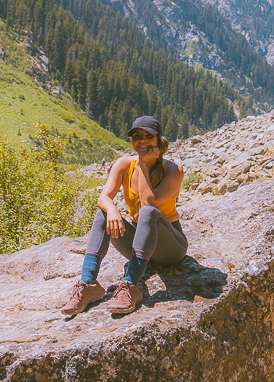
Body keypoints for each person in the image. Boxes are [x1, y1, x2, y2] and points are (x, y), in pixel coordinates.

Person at [62, 115, 187, 316]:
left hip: (170, 248)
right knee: (103, 212)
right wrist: (111, 209)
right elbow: (103, 197)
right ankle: (88, 284)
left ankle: (130, 285)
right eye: (137, 136)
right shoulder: (123, 164)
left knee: (147, 211)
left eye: (148, 136)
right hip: (140, 242)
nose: (142, 140)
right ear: (131, 140)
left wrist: (145, 164)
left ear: (158, 140)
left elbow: (148, 203)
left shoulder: (173, 170)